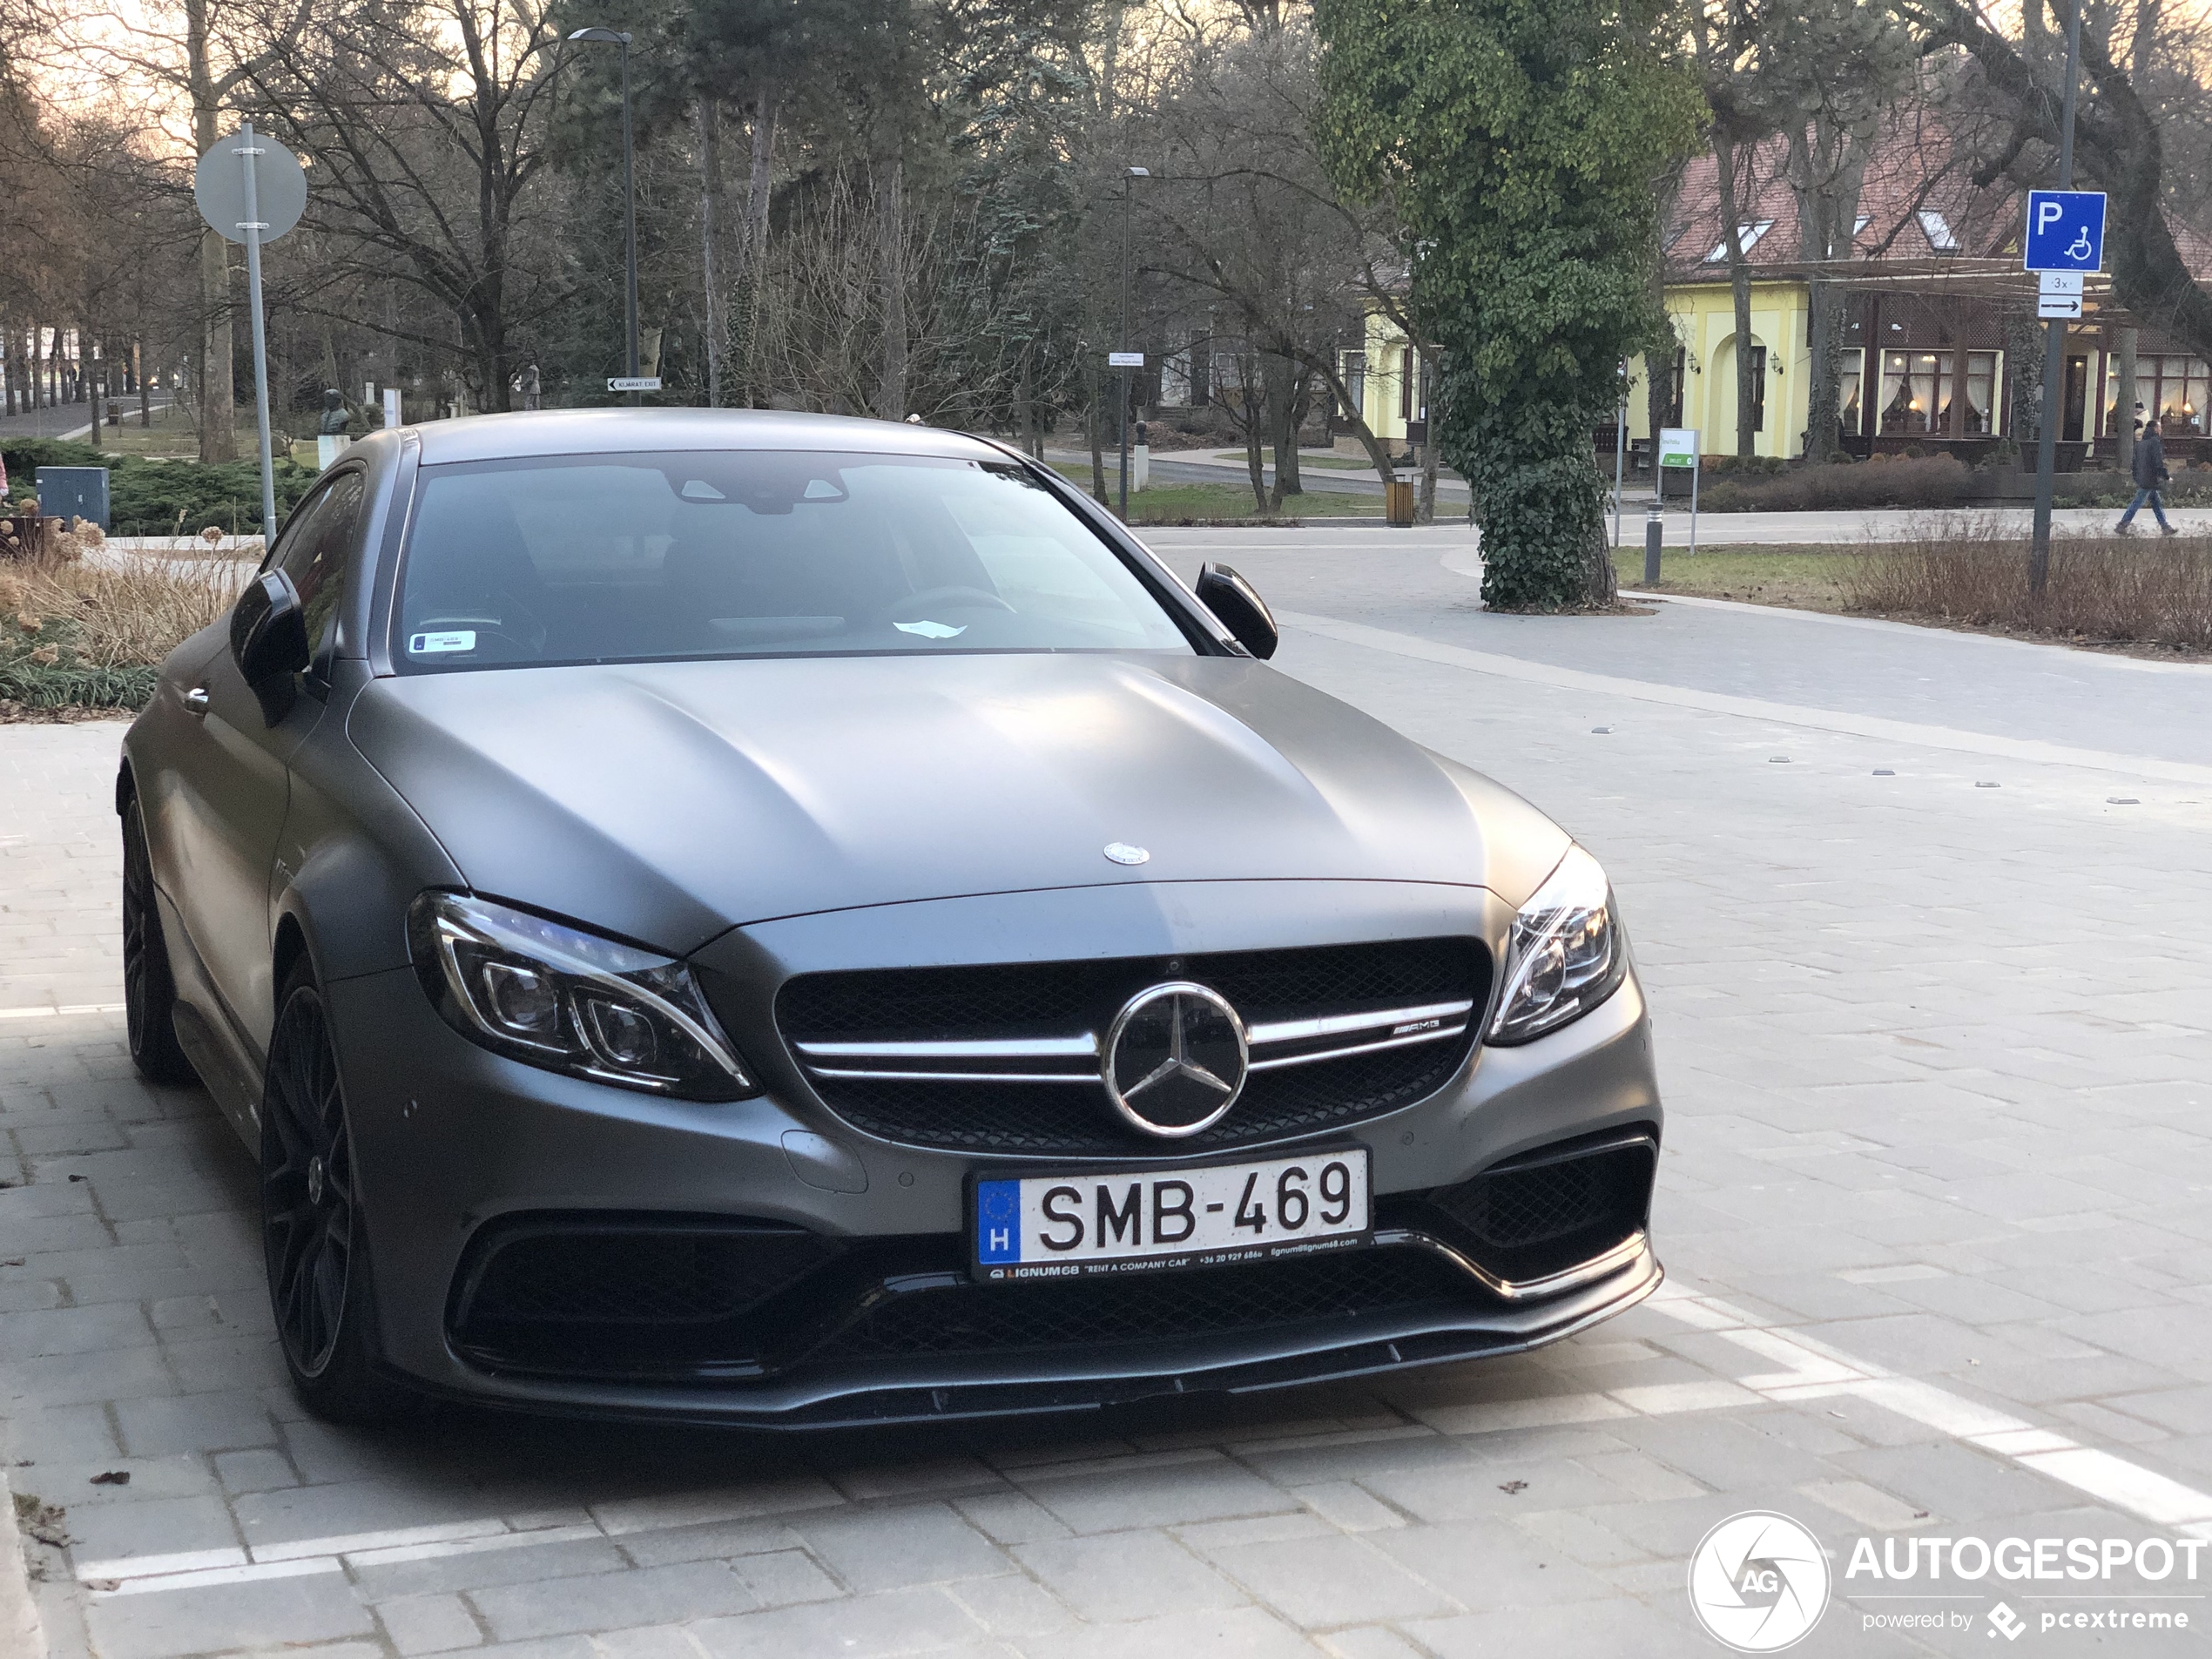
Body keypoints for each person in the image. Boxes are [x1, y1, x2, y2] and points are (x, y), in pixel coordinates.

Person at [2117, 415, 2179, 535]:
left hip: (2142, 477)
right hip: (2150, 479)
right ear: (2155, 429)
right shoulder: (2155, 443)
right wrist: (2166, 476)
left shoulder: (2141, 443)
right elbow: (2158, 462)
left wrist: (2136, 477)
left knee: (2156, 503)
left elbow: (2135, 463)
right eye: (2160, 428)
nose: (2161, 430)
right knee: (2137, 502)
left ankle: (2165, 527)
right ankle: (2122, 524)